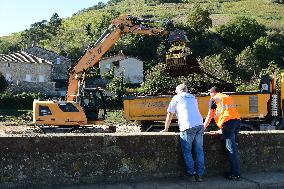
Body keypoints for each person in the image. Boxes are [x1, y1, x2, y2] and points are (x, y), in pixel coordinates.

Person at [161, 84, 205, 182]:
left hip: (187, 126)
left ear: (178, 91)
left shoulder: (176, 97)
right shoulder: (193, 97)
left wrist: (166, 128)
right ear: (186, 90)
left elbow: (170, 114)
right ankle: (200, 175)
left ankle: (191, 174)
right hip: (199, 124)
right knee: (199, 151)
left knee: (187, 151)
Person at [203, 86, 241, 180]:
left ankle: (235, 174)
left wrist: (202, 128)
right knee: (233, 148)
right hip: (237, 122)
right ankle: (234, 172)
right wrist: (222, 130)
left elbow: (210, 115)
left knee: (230, 149)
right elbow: (229, 113)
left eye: (210, 93)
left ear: (213, 92)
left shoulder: (214, 99)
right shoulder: (227, 97)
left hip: (228, 124)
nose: (209, 95)